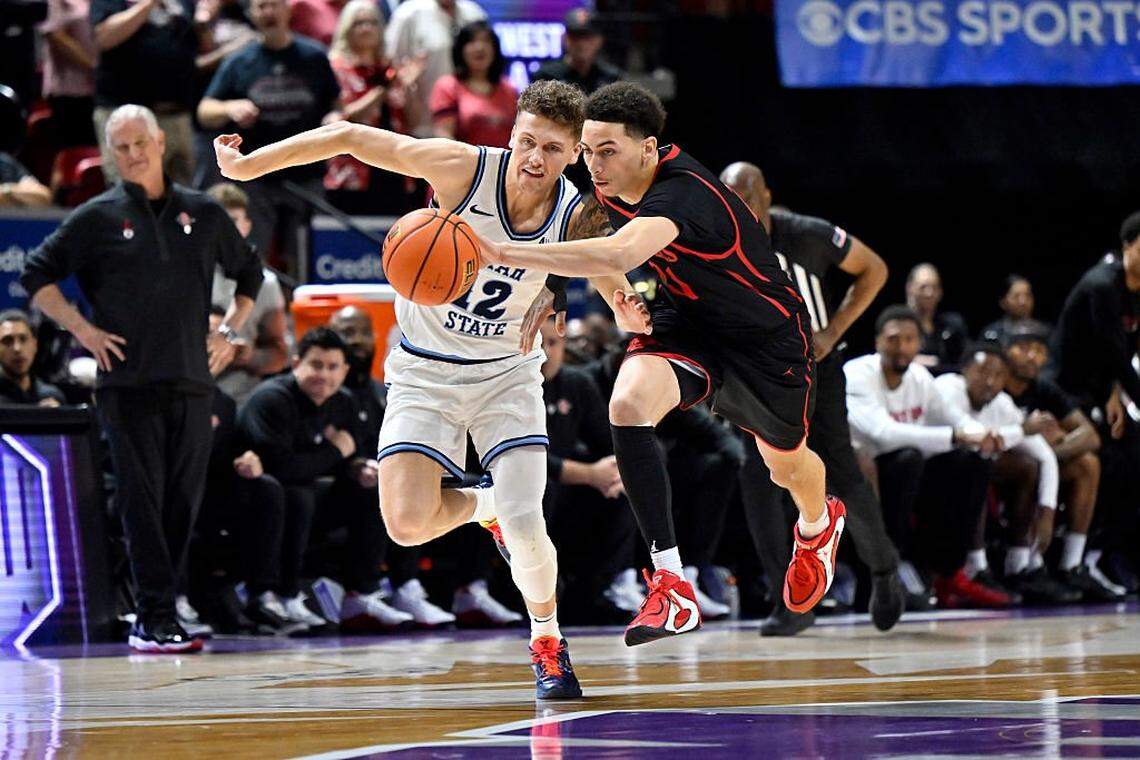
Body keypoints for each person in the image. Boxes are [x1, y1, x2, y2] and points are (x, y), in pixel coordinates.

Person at [211, 79, 641, 698]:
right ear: (510, 134)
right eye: (526, 141)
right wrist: (250, 164)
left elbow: (603, 264)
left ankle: (547, 641)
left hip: (504, 378)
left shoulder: (579, 211)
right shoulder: (463, 169)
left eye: (551, 147)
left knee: (527, 523)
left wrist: (618, 304)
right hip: (422, 371)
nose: (534, 158)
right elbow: (350, 137)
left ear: (573, 153)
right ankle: (481, 505)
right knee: (406, 525)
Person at [479, 82, 848, 646]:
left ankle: (819, 525)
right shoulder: (602, 186)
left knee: (784, 464)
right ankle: (671, 582)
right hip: (685, 324)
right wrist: (577, 290)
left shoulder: (684, 195)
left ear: (648, 149)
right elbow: (584, 230)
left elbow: (619, 251)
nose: (594, 165)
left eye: (608, 152)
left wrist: (504, 252)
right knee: (626, 404)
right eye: (587, 151)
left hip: (765, 342)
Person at [20, 104, 263, 653]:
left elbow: (249, 271)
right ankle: (154, 615)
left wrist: (229, 330)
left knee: (181, 501)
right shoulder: (97, 217)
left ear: (159, 142)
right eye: (120, 147)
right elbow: (36, 273)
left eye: (138, 143)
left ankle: (155, 607)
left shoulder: (203, 213)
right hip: (127, 386)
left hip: (193, 382)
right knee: (141, 501)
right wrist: (83, 330)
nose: (131, 155)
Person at [720, 160, 904, 637]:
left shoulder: (806, 234)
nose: (739, 206)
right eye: (730, 198)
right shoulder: (713, 240)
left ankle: (884, 570)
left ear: (766, 196)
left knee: (840, 472)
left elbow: (875, 269)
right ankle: (793, 598)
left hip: (816, 368)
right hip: (754, 374)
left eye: (748, 196)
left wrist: (834, 329)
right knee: (757, 476)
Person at [239, 328, 412, 630]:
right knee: (297, 493)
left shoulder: (343, 402)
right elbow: (281, 468)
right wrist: (334, 450)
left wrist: (359, 468)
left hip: (311, 500)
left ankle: (362, 593)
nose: (324, 375)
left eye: (333, 367)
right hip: (256, 500)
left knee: (374, 489)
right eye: (316, 365)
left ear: (345, 370)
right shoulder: (271, 400)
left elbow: (347, 457)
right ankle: (282, 594)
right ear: (296, 363)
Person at [844, 306, 1013, 609]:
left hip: (907, 473)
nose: (902, 347)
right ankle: (881, 577)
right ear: (878, 341)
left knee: (971, 461)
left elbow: (955, 419)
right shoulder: (857, 374)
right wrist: (956, 436)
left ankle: (948, 573)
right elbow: (882, 433)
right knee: (909, 457)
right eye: (894, 339)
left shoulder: (920, 378)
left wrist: (980, 434)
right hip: (860, 473)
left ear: (919, 344)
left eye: (909, 340)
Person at [328, 305, 456, 628]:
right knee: (379, 492)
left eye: (362, 332)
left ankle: (409, 586)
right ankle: (365, 591)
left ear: (375, 337)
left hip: (374, 480)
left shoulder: (380, 391)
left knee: (436, 483)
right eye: (346, 332)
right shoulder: (326, 392)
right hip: (334, 489)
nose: (356, 340)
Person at [197, 0, 341, 276]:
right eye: (261, 7)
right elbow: (205, 111)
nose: (269, 13)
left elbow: (335, 104)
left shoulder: (314, 56)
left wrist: (333, 119)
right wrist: (229, 107)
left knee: (307, 261)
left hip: (306, 173)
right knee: (253, 256)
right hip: (256, 176)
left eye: (274, 5)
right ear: (251, 14)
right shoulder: (240, 61)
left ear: (288, 10)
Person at [933, 345, 1078, 605]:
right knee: (977, 465)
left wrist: (1047, 512)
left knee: (1027, 466)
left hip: (968, 468)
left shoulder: (1001, 402)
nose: (990, 381)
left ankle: (1020, 564)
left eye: (999, 375)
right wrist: (1023, 428)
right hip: (930, 471)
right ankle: (974, 567)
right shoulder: (946, 389)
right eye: (982, 372)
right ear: (964, 371)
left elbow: (1044, 454)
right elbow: (979, 439)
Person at [1050, 212, 1140, 593]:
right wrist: (1115, 388)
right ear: (1127, 245)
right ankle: (1079, 555)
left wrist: (1115, 392)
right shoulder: (1102, 285)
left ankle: (1106, 552)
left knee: (1132, 453)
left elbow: (1127, 346)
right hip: (1065, 392)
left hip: (1099, 389)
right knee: (1112, 457)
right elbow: (1113, 353)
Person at [1003, 322, 1122, 600]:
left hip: (1037, 462)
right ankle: (1019, 564)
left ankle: (1071, 563)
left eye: (1039, 350)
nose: (1032, 356)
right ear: (1006, 352)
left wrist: (1050, 455)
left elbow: (1090, 435)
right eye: (1023, 348)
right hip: (999, 463)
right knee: (1029, 466)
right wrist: (1041, 450)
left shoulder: (1043, 388)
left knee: (1087, 464)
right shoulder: (993, 382)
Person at [538, 316, 640, 623]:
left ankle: (610, 585)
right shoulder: (509, 388)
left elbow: (609, 442)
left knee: (626, 485)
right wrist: (589, 473)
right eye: (537, 344)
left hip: (565, 491)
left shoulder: (576, 383)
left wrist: (614, 470)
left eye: (552, 343)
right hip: (513, 487)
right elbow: (521, 458)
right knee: (539, 488)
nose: (544, 353)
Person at [324, 0, 422, 213]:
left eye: (372, 22)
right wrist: (382, 91)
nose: (366, 28)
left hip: (395, 169)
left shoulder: (389, 67)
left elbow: (413, 122)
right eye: (359, 23)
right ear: (346, 28)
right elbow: (342, 119)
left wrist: (409, 86)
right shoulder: (336, 67)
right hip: (353, 174)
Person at [90, 0, 203, 184]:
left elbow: (193, 47)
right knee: (132, 191)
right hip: (125, 113)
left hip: (177, 112)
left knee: (181, 194)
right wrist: (149, 4)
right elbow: (104, 37)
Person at [206, 182, 289, 406]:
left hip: (243, 397)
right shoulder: (183, 274)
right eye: (219, 222)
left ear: (247, 225)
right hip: (188, 389)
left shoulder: (267, 283)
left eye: (232, 221)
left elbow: (280, 354)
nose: (226, 230)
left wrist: (248, 355)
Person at [384, 0, 486, 136]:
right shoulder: (408, 14)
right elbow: (391, 65)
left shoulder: (474, 13)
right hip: (422, 127)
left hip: (470, 127)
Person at [429, 21, 517, 148]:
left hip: (504, 164)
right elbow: (444, 134)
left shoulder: (510, 89)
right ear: (461, 50)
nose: (479, 47)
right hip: (463, 164)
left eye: (486, 41)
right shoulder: (448, 86)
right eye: (471, 41)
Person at [40, 0, 98, 148]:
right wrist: (93, 65)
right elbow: (55, 36)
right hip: (69, 91)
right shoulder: (59, 3)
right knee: (73, 148)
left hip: (100, 90)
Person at [533, 8, 623, 95]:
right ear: (565, 38)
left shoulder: (611, 78)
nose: (581, 44)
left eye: (587, 37)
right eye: (575, 37)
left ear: (599, 40)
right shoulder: (545, 77)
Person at [905, 263, 970, 375]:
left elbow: (966, 360)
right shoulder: (898, 323)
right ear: (910, 288)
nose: (929, 293)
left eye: (934, 287)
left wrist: (936, 363)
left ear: (940, 292)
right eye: (923, 287)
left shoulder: (952, 325)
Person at [0, 309, 66, 406]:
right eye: (7, 341)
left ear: (35, 345)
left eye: (23, 339)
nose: (17, 349)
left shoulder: (52, 396)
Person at [980, 274, 1043, 345]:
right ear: (1003, 302)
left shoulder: (1044, 332)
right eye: (1016, 296)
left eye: (1028, 295)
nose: (1023, 302)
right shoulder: (992, 333)